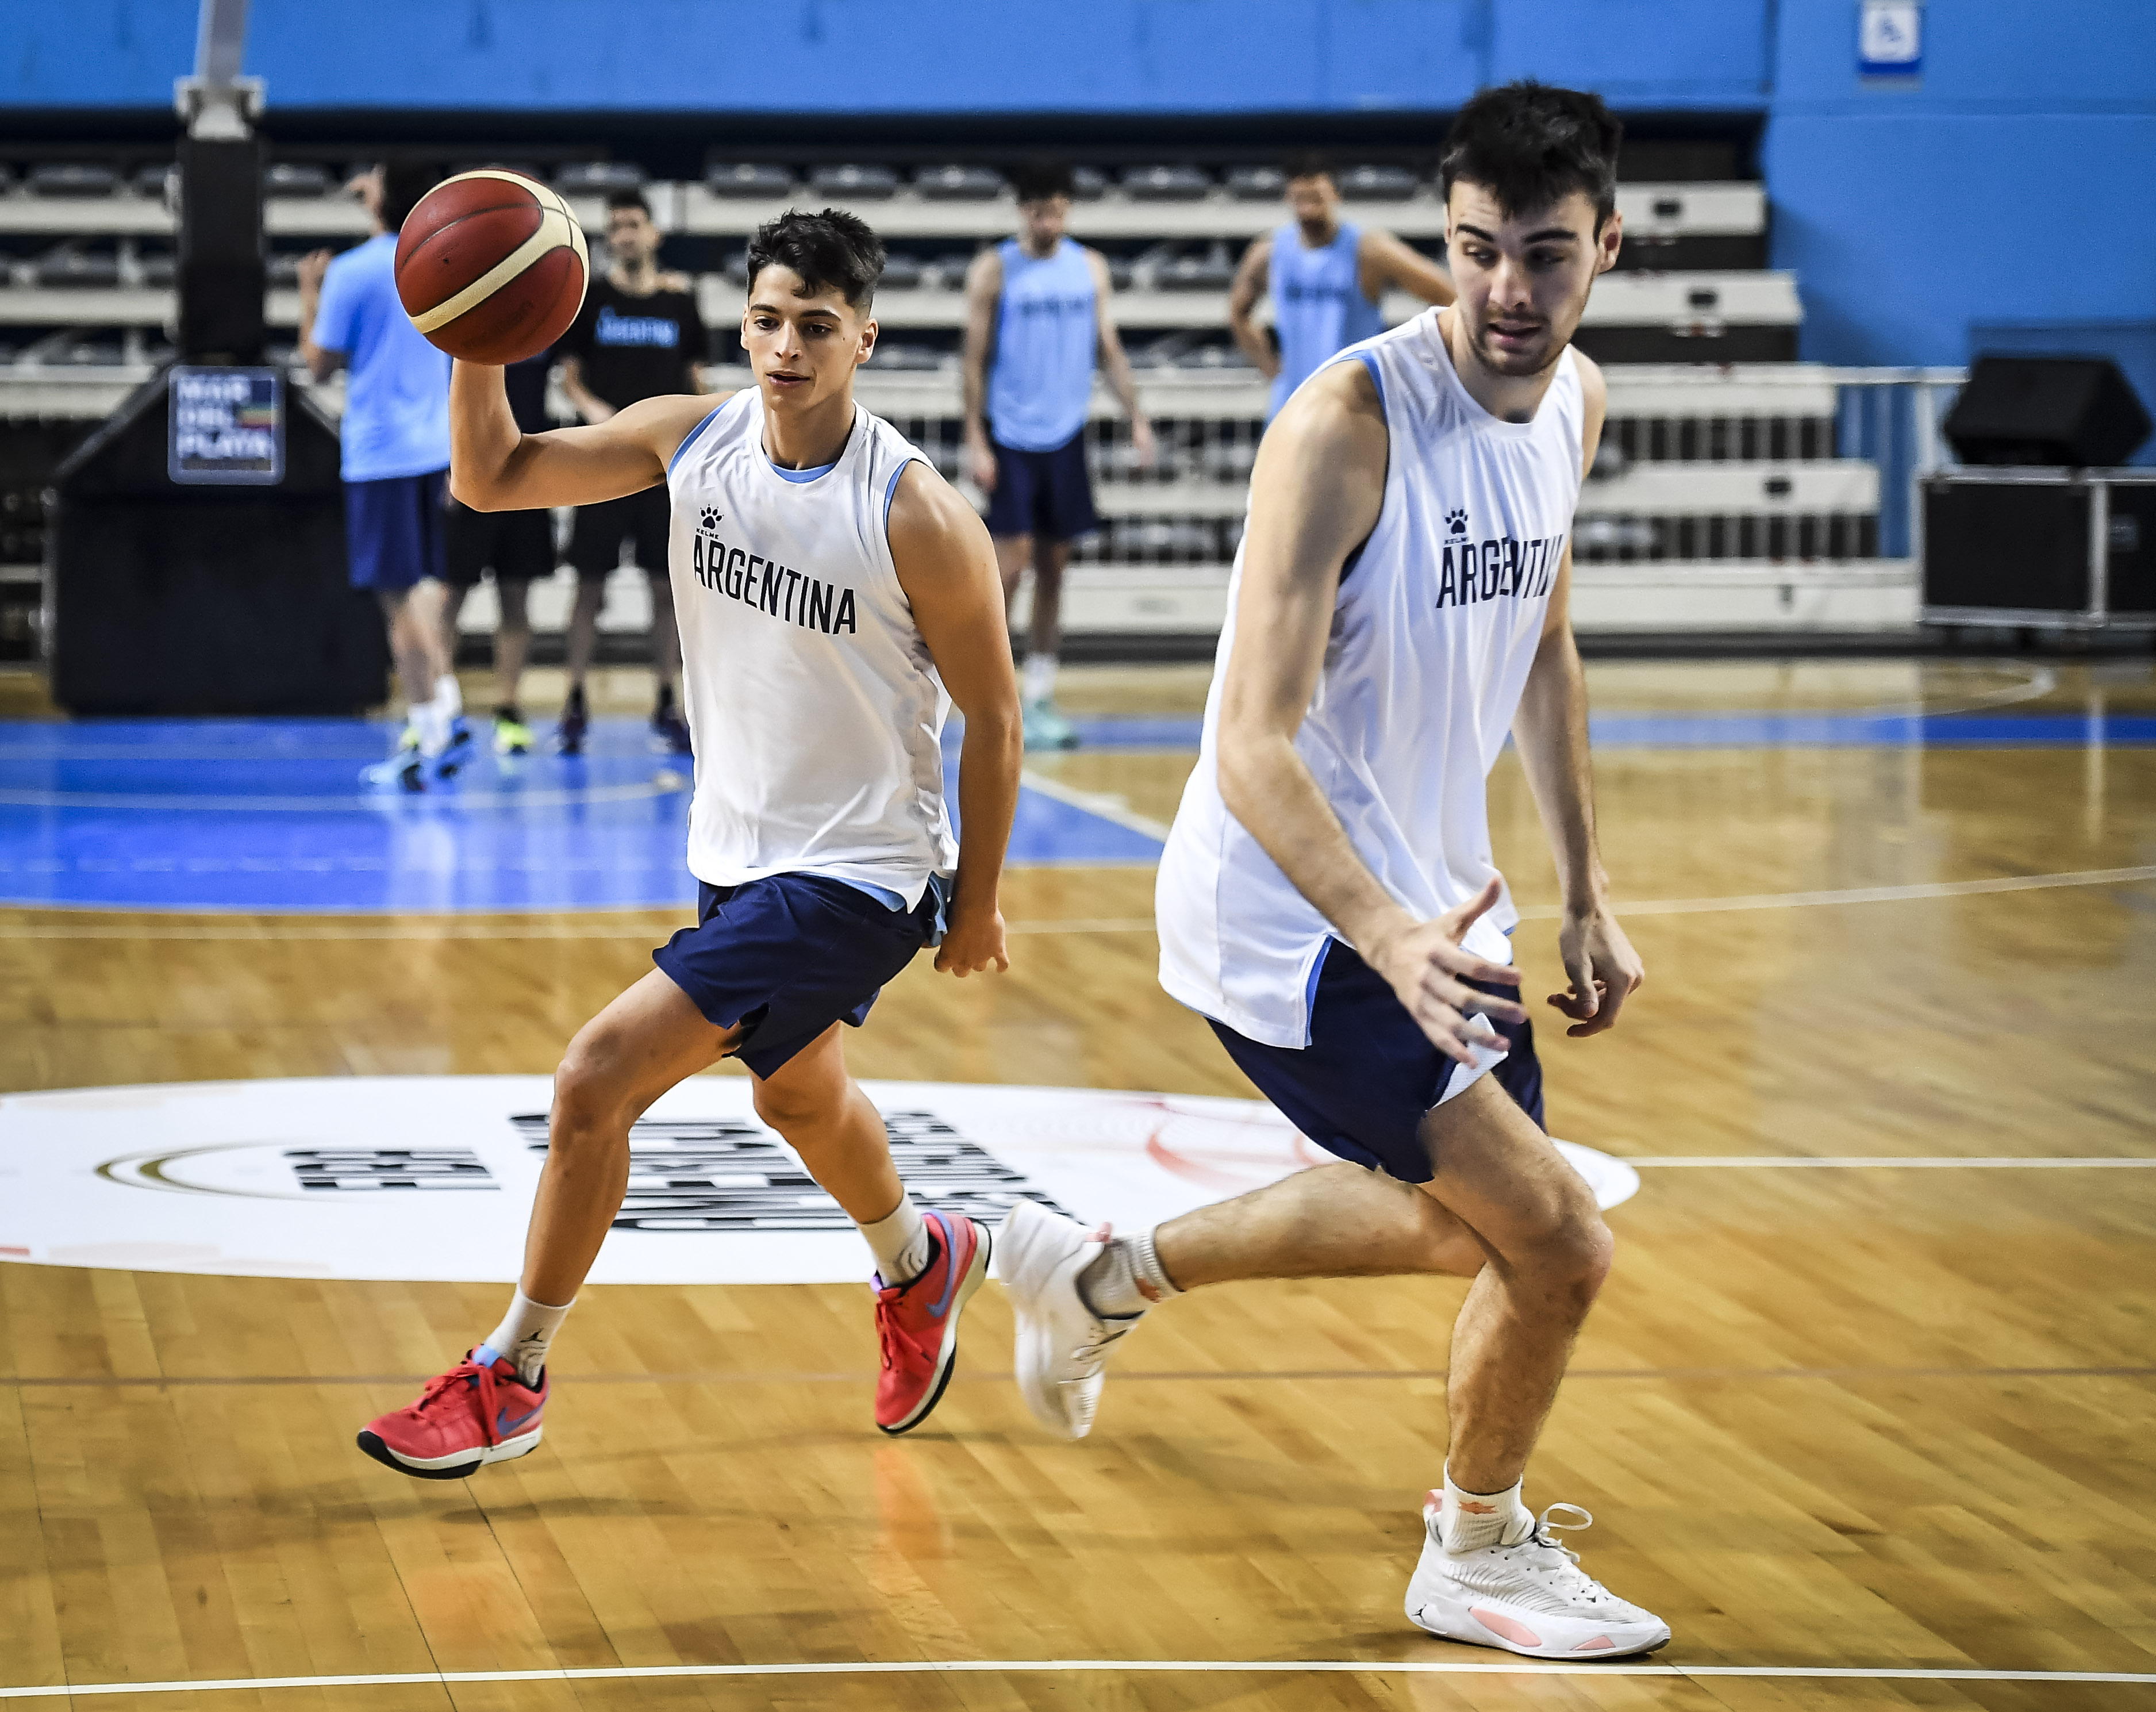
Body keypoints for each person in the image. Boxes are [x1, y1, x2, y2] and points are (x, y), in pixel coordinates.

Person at [1001, 85, 1671, 1660]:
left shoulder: (1569, 403)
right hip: (1289, 918)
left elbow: (1542, 645)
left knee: (1466, 1227)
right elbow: (1247, 739)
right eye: (1472, 252)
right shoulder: (1345, 426)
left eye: (1542, 257)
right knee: (1557, 1239)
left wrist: (1579, 885)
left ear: (1605, 248)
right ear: (1437, 241)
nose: (1505, 291)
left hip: (1438, 903)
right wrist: (1377, 931)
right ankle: (1476, 1548)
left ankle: (1098, 1280)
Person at [357, 208, 1024, 1476]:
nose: (786, 347)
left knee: (594, 1077)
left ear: (864, 339)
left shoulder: (917, 512)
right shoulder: (692, 437)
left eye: (816, 327)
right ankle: (922, 1261)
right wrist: (474, 331)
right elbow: (490, 478)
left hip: (860, 871)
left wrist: (976, 901)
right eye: (769, 319)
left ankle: (513, 1374)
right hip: (734, 849)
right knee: (797, 1093)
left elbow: (993, 719)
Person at [963, 161, 1155, 751]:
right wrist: (975, 434)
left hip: (1066, 435)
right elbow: (972, 357)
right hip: (1012, 434)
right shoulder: (995, 269)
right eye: (1033, 209)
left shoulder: (1089, 267)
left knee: (1053, 569)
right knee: (1010, 566)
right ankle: (987, 693)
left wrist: (1136, 416)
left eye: (1053, 208)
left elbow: (1108, 348)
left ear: (1066, 207)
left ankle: (1040, 694)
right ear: (1020, 210)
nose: (1044, 219)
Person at [299, 162, 467, 789]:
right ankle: (445, 709)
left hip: (379, 455)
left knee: (397, 603)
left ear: (381, 200)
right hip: (433, 449)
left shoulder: (351, 271)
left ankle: (432, 730)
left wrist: (309, 291)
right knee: (422, 591)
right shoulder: (439, 263)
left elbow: (317, 364)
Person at [554, 187, 710, 755]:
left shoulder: (680, 303)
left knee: (666, 589)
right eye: (615, 225)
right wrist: (597, 413)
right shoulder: (590, 301)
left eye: (634, 223)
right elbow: (569, 375)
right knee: (588, 586)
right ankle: (573, 701)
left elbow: (696, 380)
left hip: (663, 472)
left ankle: (669, 701)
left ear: (654, 234)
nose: (625, 233)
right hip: (601, 467)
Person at [1228, 152, 1458, 422]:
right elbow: (1238, 313)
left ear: (1336, 195)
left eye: (1317, 199)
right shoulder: (1269, 253)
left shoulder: (1368, 249)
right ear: (1288, 198)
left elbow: (1447, 296)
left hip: (1354, 406)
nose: (1308, 210)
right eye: (1300, 199)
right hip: (1291, 402)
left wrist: (1417, 365)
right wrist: (1273, 370)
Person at [441, 346, 555, 755]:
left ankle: (508, 708)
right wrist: (444, 464)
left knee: (516, 597)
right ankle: (442, 709)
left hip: (528, 471)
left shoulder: (543, 315)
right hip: (467, 471)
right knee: (449, 596)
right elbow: (442, 394)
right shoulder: (464, 323)